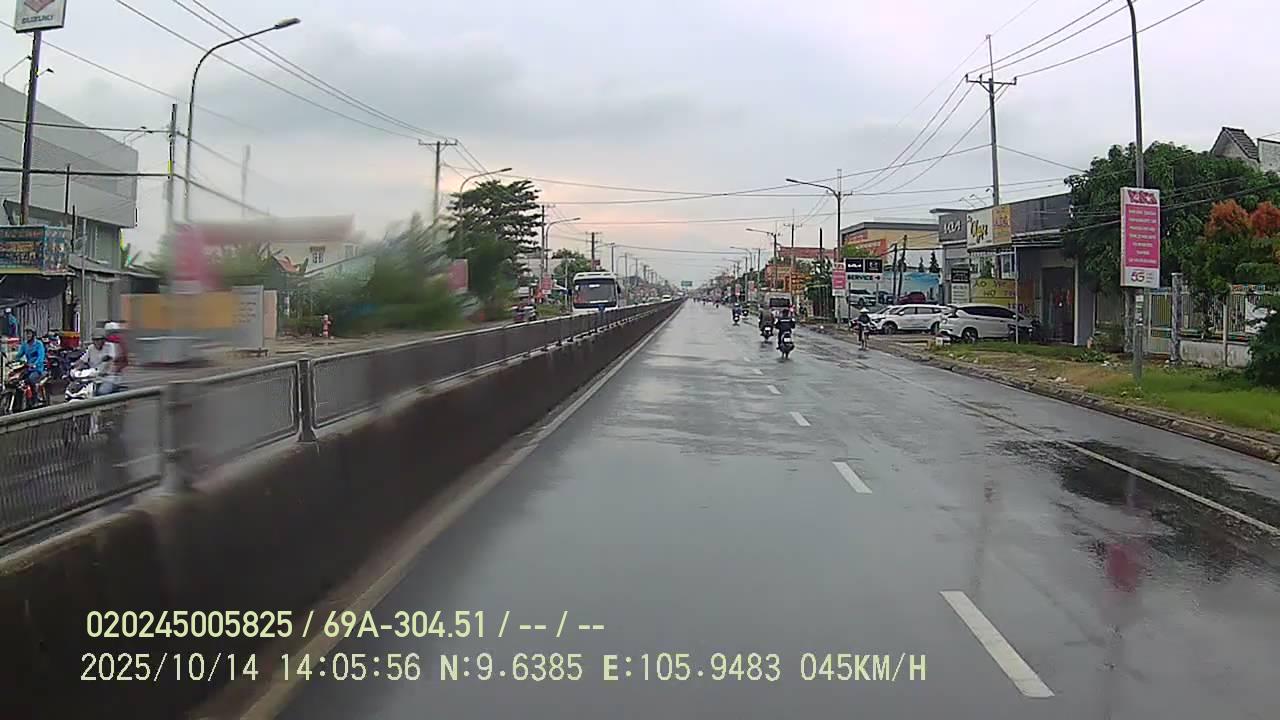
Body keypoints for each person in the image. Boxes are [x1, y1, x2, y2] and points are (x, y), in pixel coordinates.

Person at [17, 328, 46, 403]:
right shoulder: (25, 345)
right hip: (28, 368)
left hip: (37, 369)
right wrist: (12, 360)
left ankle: (35, 399)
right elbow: (19, 355)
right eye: (27, 334)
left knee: (31, 379)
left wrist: (35, 364)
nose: (28, 335)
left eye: (29, 334)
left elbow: (41, 357)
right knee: (17, 379)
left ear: (33, 335)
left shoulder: (39, 344)